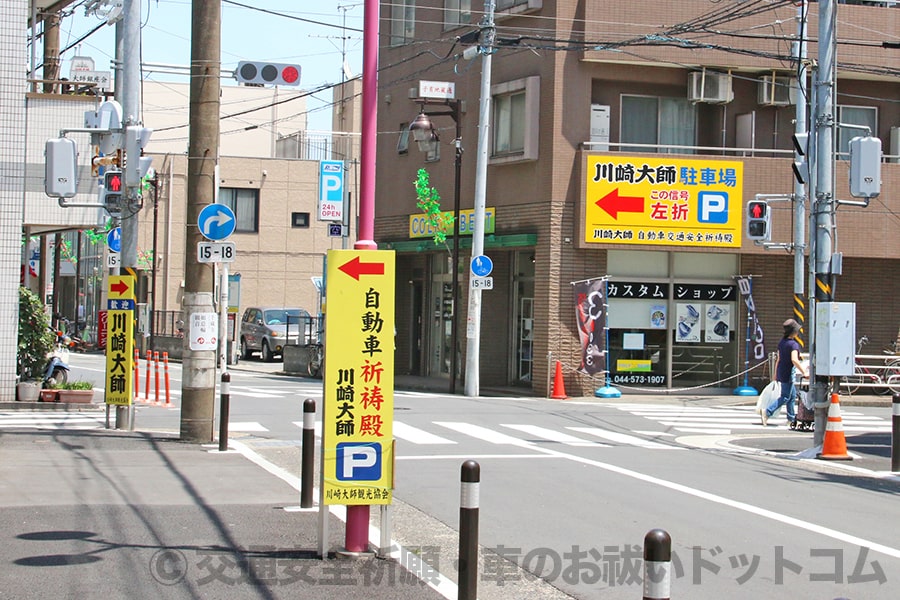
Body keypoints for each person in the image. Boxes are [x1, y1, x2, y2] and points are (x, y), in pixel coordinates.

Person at [762, 319, 808, 426]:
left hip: (782, 371)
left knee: (791, 397)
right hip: (788, 373)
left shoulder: (782, 342)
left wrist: (775, 373)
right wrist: (804, 372)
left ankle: (791, 418)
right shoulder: (793, 345)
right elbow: (794, 360)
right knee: (785, 397)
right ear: (794, 332)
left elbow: (779, 359)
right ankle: (767, 412)